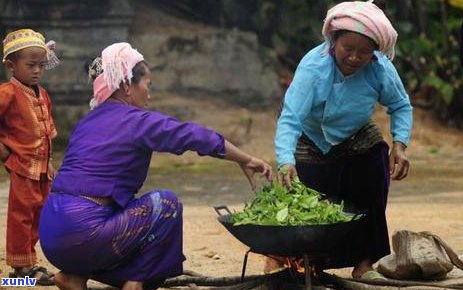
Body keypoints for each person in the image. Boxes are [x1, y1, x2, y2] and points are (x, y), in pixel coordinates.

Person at [38, 42, 273, 290]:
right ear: (128, 86)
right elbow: (192, 136)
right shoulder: (137, 121)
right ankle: (134, 282)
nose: (149, 94)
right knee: (166, 203)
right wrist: (245, 159)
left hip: (52, 236)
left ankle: (73, 277)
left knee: (127, 209)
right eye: (148, 86)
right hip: (86, 235)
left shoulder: (87, 122)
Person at [273, 0, 413, 279]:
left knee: (373, 170)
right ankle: (308, 264)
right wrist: (285, 161)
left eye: (364, 52)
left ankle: (364, 263)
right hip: (311, 136)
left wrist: (400, 145)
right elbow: (290, 118)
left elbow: (400, 105)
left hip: (357, 132)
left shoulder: (380, 69)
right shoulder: (314, 68)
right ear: (333, 41)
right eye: (348, 49)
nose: (354, 57)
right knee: (308, 196)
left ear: (375, 53)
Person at [0, 28, 59, 285]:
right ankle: (20, 268)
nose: (37, 70)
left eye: (41, 65)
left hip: (42, 168)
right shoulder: (7, 93)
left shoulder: (42, 93)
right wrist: (4, 153)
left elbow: (47, 131)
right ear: (12, 66)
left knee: (39, 213)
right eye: (31, 65)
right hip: (22, 166)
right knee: (21, 215)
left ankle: (27, 265)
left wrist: (51, 162)